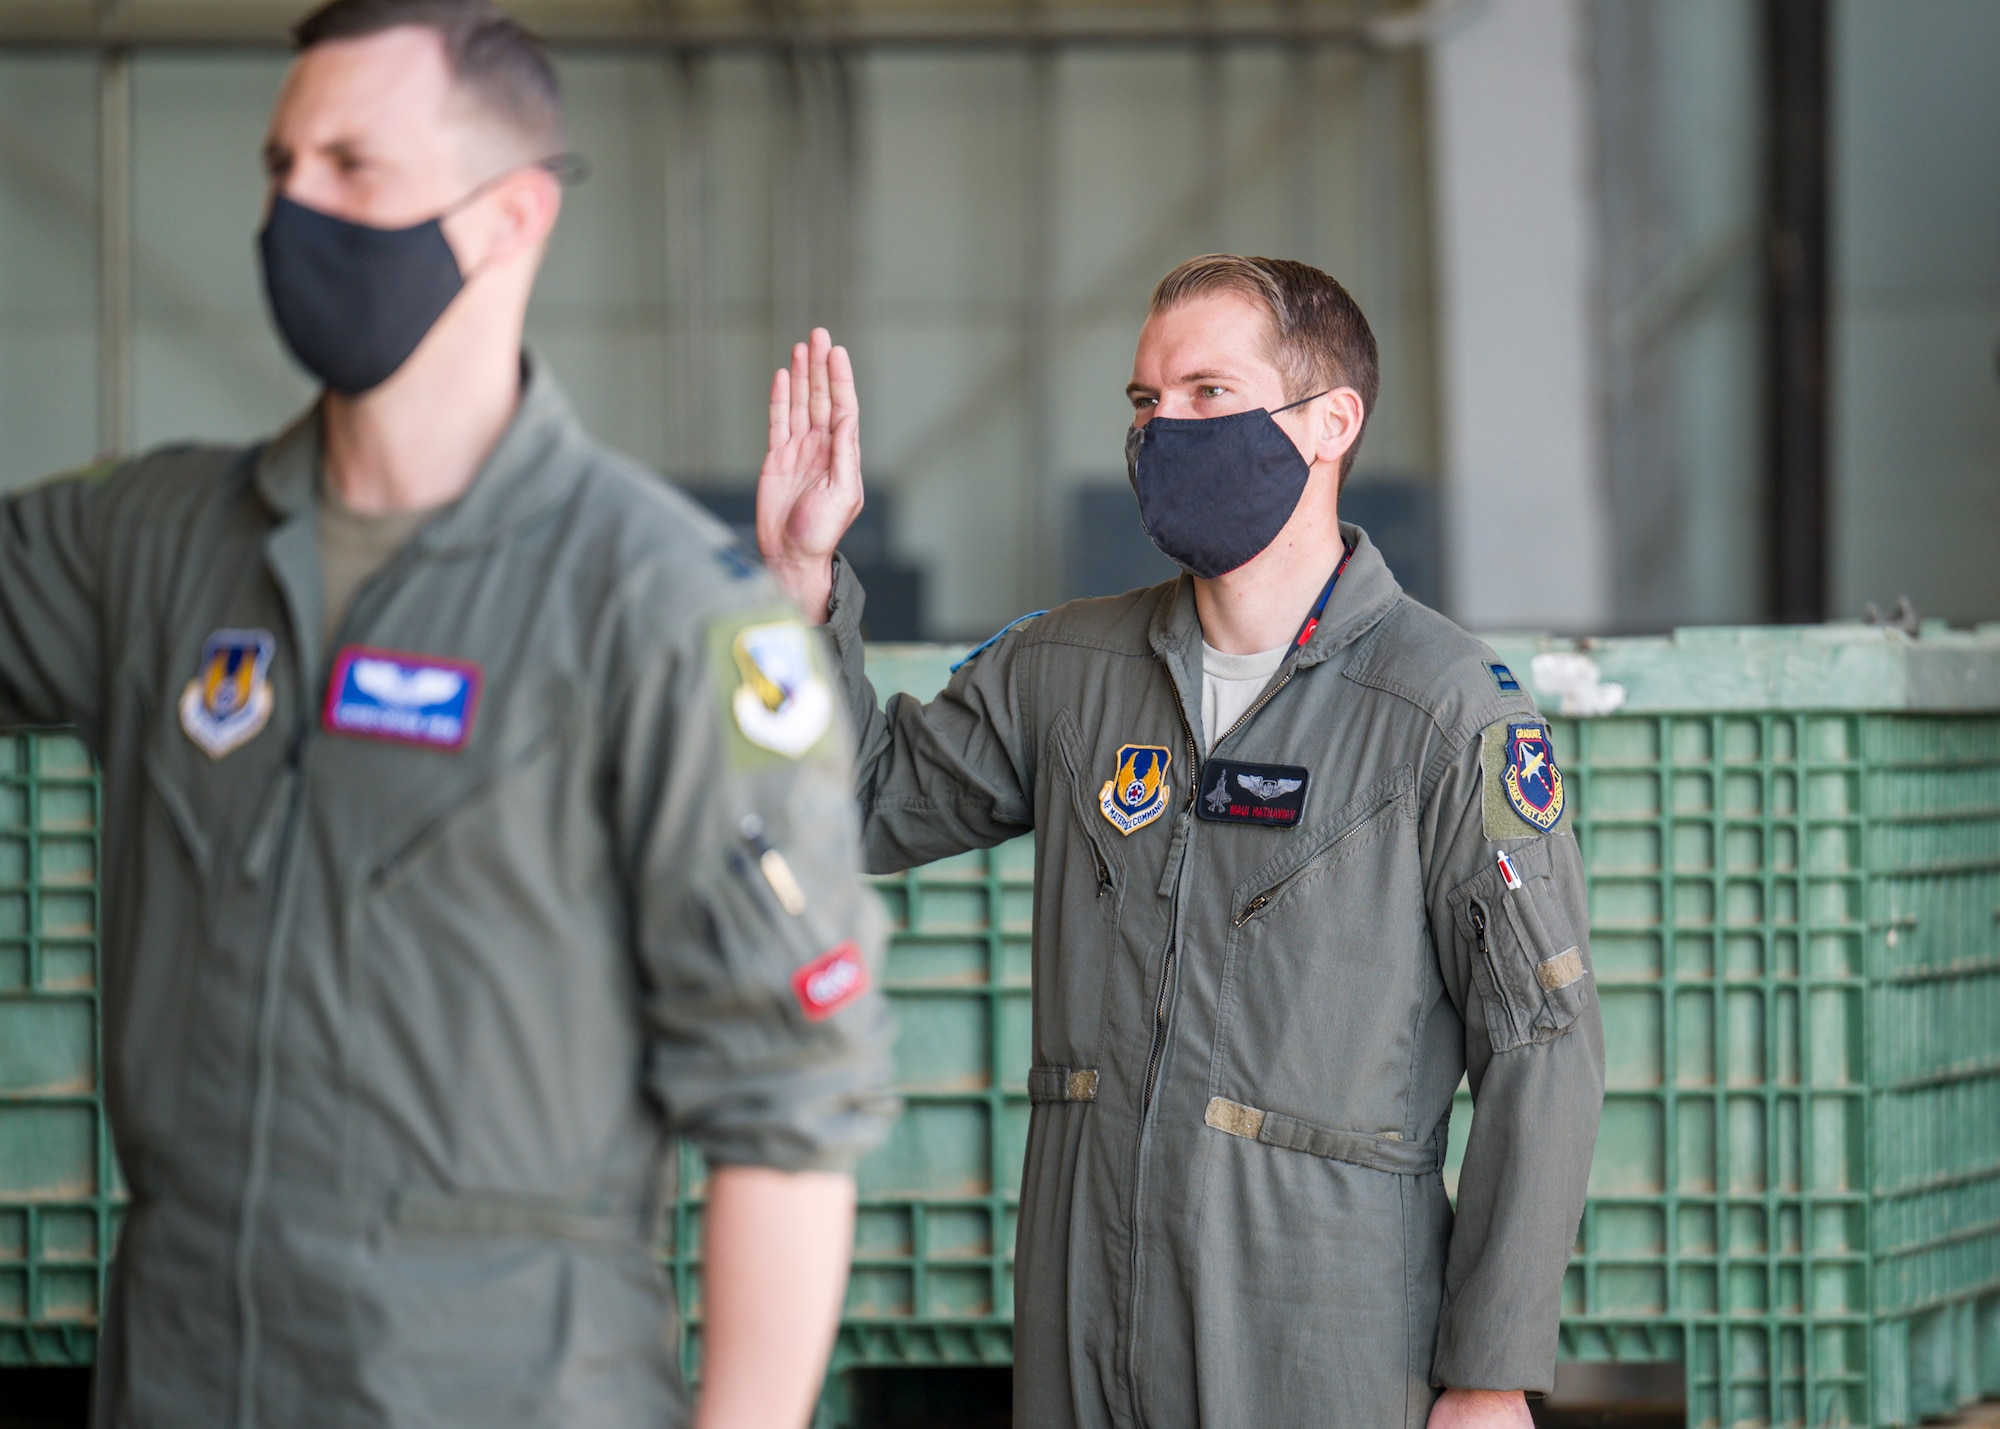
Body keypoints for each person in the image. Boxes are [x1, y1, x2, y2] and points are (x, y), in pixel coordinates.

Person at [0, 2, 894, 1425]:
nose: (293, 204)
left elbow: (787, 1120)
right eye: (281, 162)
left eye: (354, 166)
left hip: (499, 1383)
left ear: (509, 217)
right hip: (183, 1373)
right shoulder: (152, 545)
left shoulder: (661, 607)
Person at [757, 256, 1605, 1429]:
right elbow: (848, 803)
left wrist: (1489, 1372)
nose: (1163, 429)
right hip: (1083, 1323)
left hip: (1323, 1335)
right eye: (1145, 402)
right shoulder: (1065, 671)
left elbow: (1541, 1041)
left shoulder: (1444, 710)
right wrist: (798, 580)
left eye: (1208, 393)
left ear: (1329, 422)